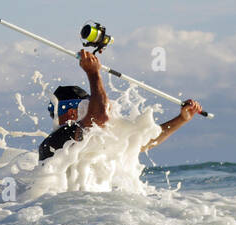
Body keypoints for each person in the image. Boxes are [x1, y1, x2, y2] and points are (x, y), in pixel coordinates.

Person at [38, 50, 203, 162]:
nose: (91, 109)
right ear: (71, 113)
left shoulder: (94, 137)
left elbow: (143, 142)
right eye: (88, 106)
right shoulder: (55, 141)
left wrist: (181, 119)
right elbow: (100, 116)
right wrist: (93, 73)